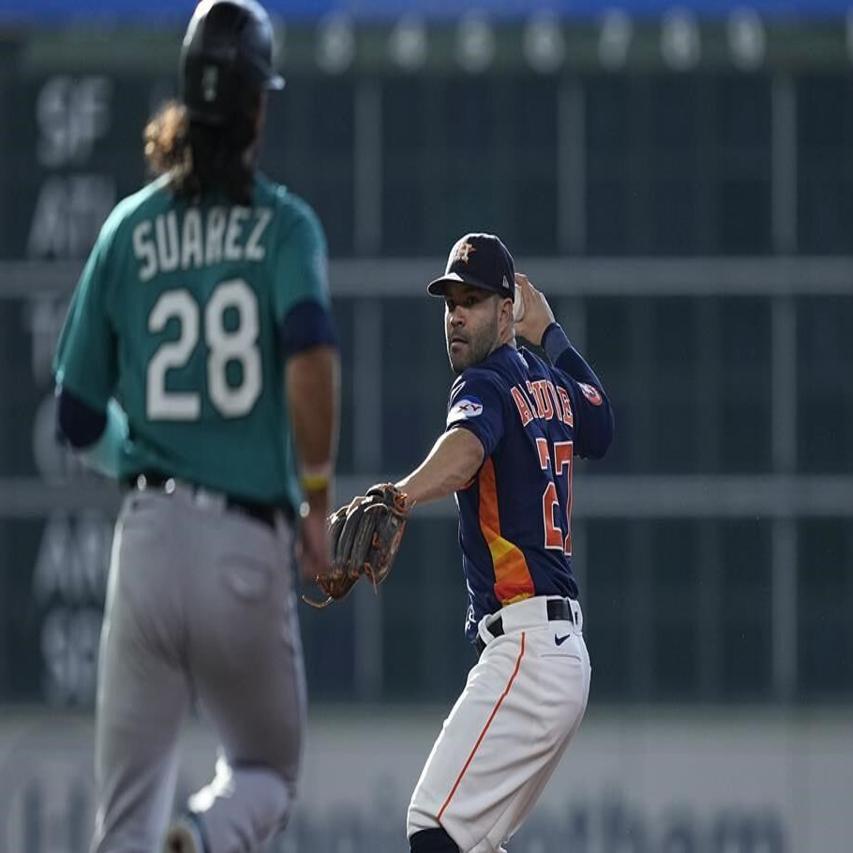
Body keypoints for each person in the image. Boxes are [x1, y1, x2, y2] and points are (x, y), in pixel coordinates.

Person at [51, 2, 339, 851]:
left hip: (145, 538)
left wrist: (141, 458)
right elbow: (311, 357)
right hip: (243, 543)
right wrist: (318, 496)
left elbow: (73, 411)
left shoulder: (126, 227)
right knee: (266, 771)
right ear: (257, 106)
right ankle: (208, 837)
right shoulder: (283, 226)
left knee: (122, 822)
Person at [395, 233, 614, 853]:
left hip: (526, 647)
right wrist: (553, 335)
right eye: (449, 302)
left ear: (505, 308)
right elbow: (600, 422)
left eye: (474, 299)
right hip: (562, 655)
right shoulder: (546, 379)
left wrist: (403, 495)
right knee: (475, 844)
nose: (456, 315)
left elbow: (465, 450)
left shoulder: (483, 384)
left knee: (433, 827)